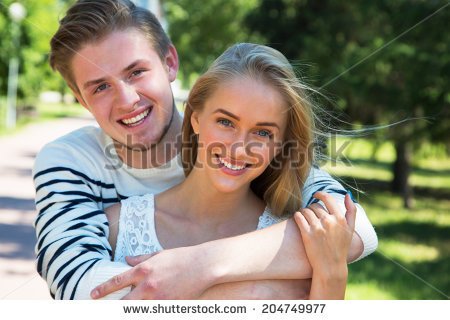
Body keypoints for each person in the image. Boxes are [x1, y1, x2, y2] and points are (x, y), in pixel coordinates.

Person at [33, 0, 377, 300]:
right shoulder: (71, 161)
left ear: (169, 62)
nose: (127, 100)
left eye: (136, 72)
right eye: (100, 87)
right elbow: (79, 286)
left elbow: (354, 228)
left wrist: (200, 266)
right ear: (80, 98)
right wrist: (268, 294)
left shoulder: (237, 145)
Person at [101, 42, 357, 299]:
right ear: (196, 119)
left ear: (280, 145)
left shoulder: (301, 242)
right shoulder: (117, 227)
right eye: (225, 122)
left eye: (262, 132)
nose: (238, 148)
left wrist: (333, 274)